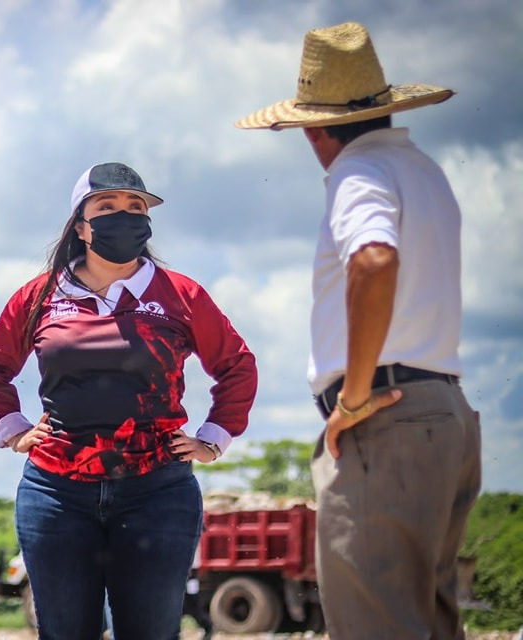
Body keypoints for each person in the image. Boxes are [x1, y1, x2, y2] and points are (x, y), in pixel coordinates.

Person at [236, 22, 482, 640]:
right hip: (445, 409)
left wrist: (352, 398)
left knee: (375, 623)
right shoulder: (422, 170)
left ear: (314, 129)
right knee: (429, 617)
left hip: (385, 417)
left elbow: (374, 259)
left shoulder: (359, 172)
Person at [0, 162, 257, 640]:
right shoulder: (40, 296)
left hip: (157, 493)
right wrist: (13, 427)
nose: (124, 217)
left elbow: (238, 365)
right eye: (107, 207)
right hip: (57, 494)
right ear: (81, 226)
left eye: (135, 207)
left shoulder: (180, 294)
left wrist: (214, 437)